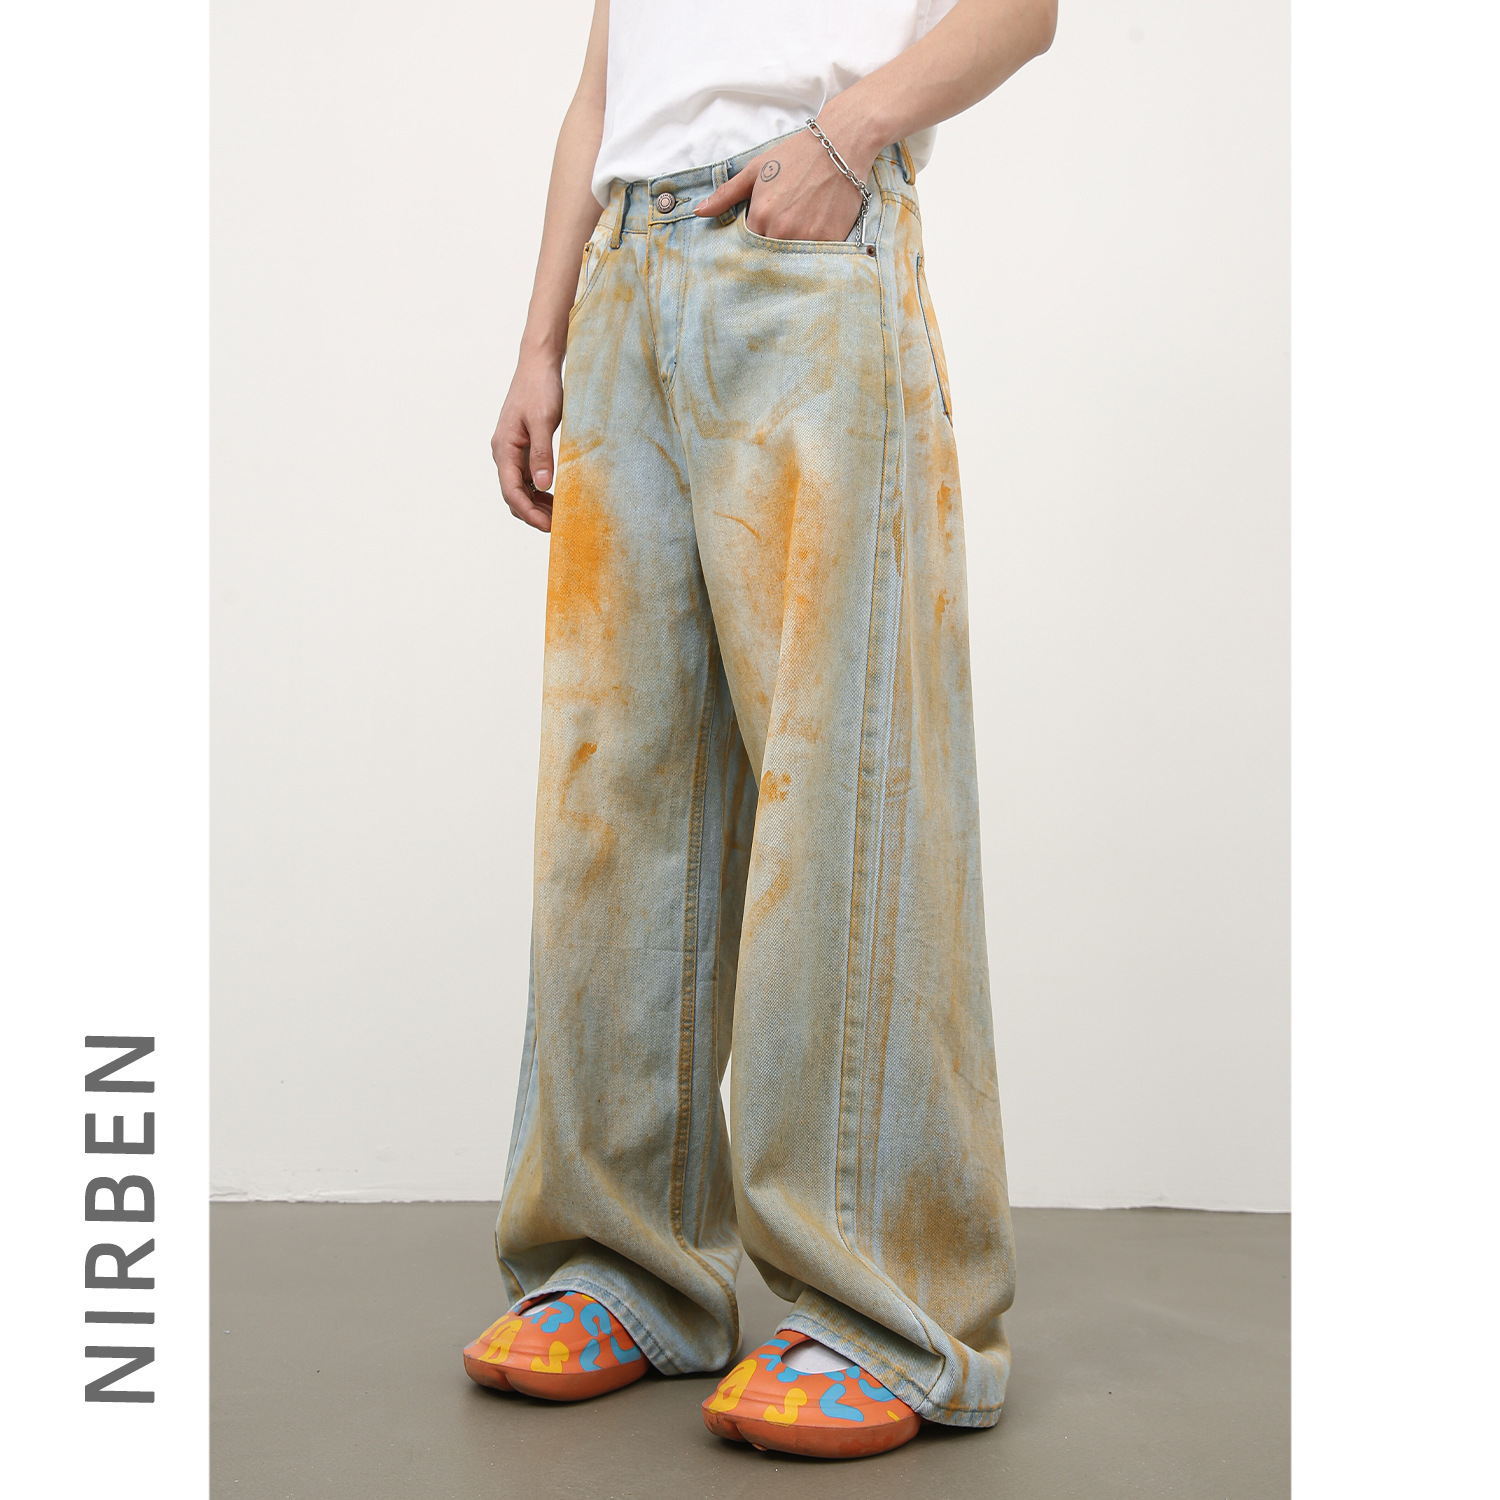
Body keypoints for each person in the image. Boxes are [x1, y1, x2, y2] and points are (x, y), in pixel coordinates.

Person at [461, 0, 1057, 1461]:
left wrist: (848, 137)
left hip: (806, 259)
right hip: (627, 283)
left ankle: (887, 1309)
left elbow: (1024, 11)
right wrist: (542, 338)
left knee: (842, 780)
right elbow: (601, 91)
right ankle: (622, 1264)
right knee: (617, 793)